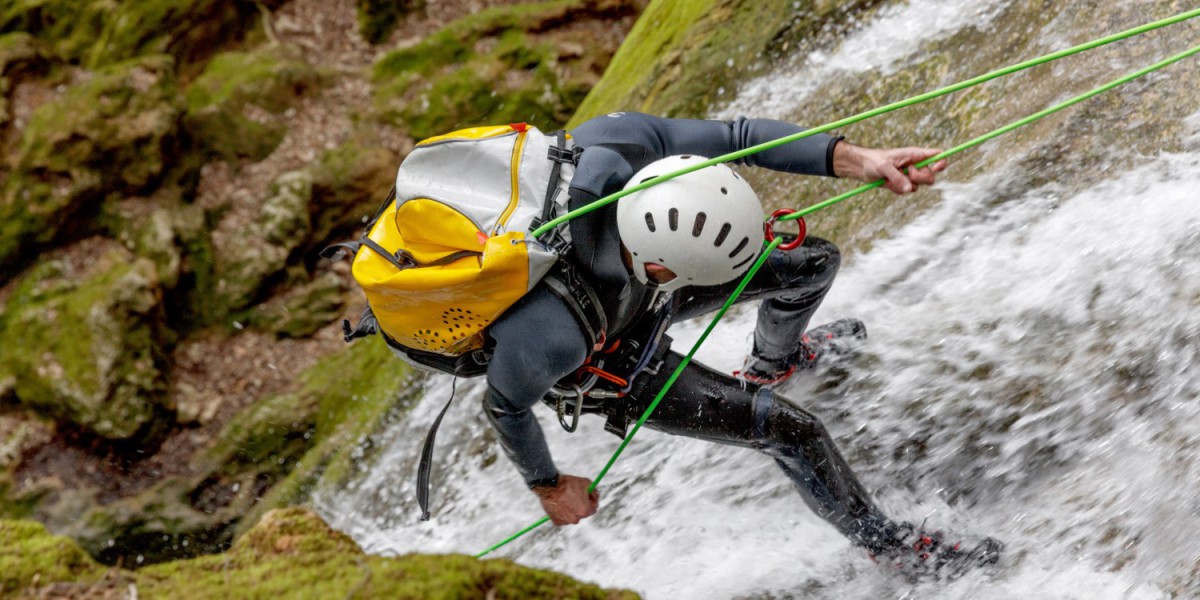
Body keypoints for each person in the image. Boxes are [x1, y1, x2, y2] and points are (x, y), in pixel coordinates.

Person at [480, 111, 1001, 578]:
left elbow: (740, 137)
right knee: (795, 432)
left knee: (813, 263)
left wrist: (858, 160)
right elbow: (505, 405)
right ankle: (890, 549)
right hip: (607, 356)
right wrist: (547, 485)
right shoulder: (550, 333)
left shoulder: (623, 143)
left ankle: (774, 362)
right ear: (663, 270)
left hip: (639, 281)